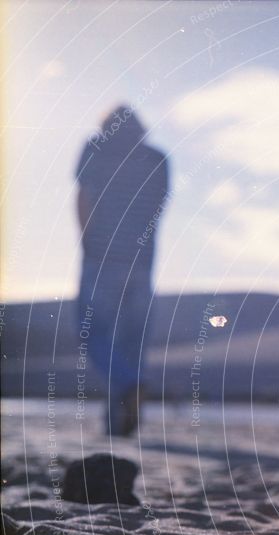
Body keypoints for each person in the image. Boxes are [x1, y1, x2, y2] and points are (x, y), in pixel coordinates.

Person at [75, 105, 169, 435]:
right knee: (133, 343)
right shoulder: (158, 159)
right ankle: (121, 425)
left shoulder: (96, 149)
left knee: (92, 332)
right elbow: (157, 209)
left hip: (101, 257)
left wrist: (88, 241)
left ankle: (130, 386)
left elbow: (85, 197)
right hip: (142, 262)